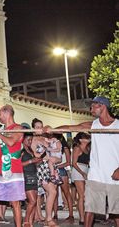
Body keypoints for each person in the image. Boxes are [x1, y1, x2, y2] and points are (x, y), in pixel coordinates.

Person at [45, 96, 119, 227]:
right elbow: (70, 127)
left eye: (93, 106)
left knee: (116, 212)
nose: (90, 109)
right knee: (90, 208)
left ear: (102, 106)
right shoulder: (92, 125)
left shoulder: (118, 125)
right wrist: (52, 130)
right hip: (96, 175)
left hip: (115, 176)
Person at [0, 104, 25, 227]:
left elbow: (11, 142)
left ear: (6, 113)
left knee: (15, 203)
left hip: (13, 170)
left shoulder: (18, 128)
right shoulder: (1, 131)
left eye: (0, 114)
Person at [21, 132, 41, 227]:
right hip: (26, 176)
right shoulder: (21, 151)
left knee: (34, 201)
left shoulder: (30, 150)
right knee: (32, 201)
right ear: (23, 140)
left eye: (31, 140)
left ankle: (31, 222)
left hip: (33, 175)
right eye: (28, 139)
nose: (30, 141)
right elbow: (17, 165)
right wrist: (31, 161)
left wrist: (36, 162)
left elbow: (31, 163)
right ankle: (25, 221)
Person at [71, 132, 91, 225]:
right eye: (86, 137)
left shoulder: (87, 148)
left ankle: (85, 217)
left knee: (85, 196)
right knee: (82, 195)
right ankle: (82, 218)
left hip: (86, 170)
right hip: (78, 170)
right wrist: (82, 173)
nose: (88, 138)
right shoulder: (77, 148)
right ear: (80, 140)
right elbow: (74, 163)